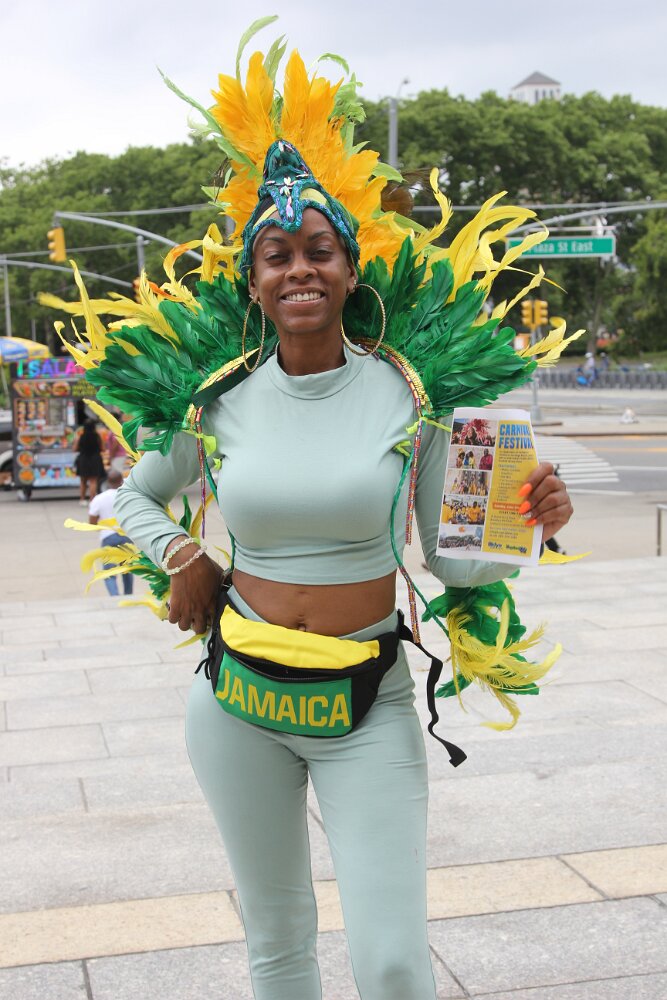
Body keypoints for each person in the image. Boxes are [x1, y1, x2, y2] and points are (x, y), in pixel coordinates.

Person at [51, 35, 580, 1000]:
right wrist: (182, 553)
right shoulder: (217, 398)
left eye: (318, 252)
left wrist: (526, 523)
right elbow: (132, 494)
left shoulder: (413, 395)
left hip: (366, 702)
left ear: (348, 268)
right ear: (253, 281)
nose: (299, 269)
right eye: (277, 256)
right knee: (279, 947)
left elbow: (457, 565)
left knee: (391, 962)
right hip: (238, 702)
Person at [88, 469, 134, 596]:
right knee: (127, 570)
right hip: (126, 536)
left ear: (108, 482)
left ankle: (115, 597)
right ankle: (128, 596)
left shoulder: (99, 498)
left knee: (109, 572)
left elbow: (92, 521)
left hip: (108, 536)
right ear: (121, 481)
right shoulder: (128, 496)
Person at [74, 418, 105, 505]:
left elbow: (74, 449)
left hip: (83, 459)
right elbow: (103, 448)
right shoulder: (98, 437)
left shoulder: (80, 437)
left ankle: (82, 499)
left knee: (83, 481)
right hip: (95, 459)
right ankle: (92, 500)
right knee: (93, 481)